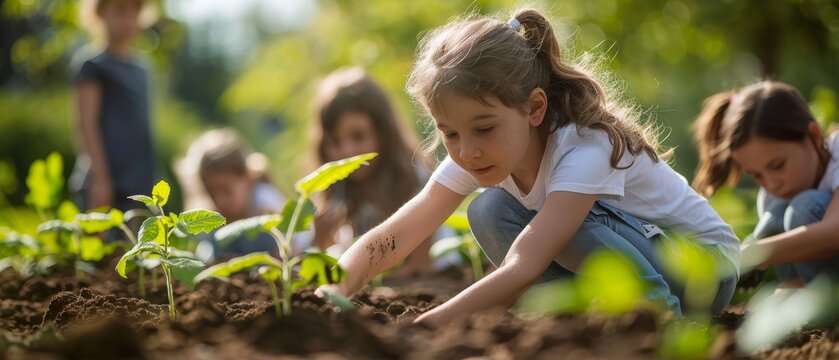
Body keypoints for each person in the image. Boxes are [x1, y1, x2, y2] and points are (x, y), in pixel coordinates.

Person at [318, 9, 740, 326]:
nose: (466, 152)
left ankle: (656, 317)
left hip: (703, 272)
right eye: (450, 134)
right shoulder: (486, 148)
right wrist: (335, 284)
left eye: (483, 128)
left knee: (563, 222)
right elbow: (399, 233)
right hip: (643, 256)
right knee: (489, 209)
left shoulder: (583, 146)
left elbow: (525, 263)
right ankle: (578, 319)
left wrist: (429, 325)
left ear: (534, 107)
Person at [693, 80, 839, 288]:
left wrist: (750, 254)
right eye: (756, 175)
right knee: (773, 219)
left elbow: (835, 232)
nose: (771, 184)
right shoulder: (772, 198)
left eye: (778, 165)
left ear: (814, 136)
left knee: (805, 206)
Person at [309, 67, 436, 276]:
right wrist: (320, 239)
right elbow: (322, 268)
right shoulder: (335, 194)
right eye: (335, 141)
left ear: (384, 133)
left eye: (358, 136)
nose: (347, 151)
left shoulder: (415, 180)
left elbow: (421, 267)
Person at [72, 0, 158, 213]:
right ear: (100, 13)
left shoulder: (141, 68)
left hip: (138, 180)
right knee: (100, 245)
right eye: (120, 11)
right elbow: (86, 124)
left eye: (135, 11)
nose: (128, 19)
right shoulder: (93, 66)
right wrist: (101, 180)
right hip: (105, 183)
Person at [180, 128, 286, 258]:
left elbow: (293, 243)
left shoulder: (263, 200)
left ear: (247, 178)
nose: (220, 200)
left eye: (226, 190)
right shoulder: (212, 216)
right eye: (211, 192)